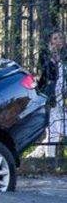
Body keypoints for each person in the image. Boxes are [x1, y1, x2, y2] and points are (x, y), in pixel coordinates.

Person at [31, 29, 66, 158]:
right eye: (55, 38)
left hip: (62, 96)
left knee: (54, 131)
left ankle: (36, 157)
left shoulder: (65, 56)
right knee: (54, 129)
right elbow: (47, 76)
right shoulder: (45, 55)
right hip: (51, 97)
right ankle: (48, 159)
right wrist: (53, 60)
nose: (58, 41)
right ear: (50, 41)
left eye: (60, 38)